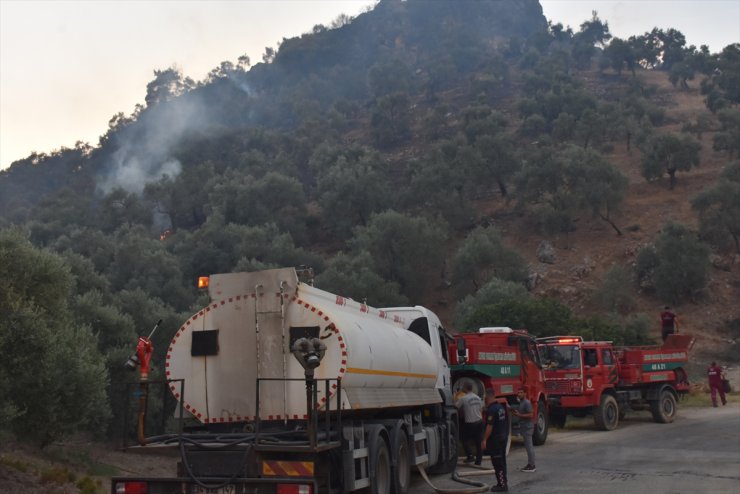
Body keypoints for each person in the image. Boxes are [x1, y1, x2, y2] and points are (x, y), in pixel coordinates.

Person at [481, 389, 509, 492]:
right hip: (502, 438)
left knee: (497, 463)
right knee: (502, 462)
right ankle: (503, 482)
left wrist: (484, 440)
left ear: (487, 397)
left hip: (495, 441)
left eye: (484, 397)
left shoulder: (491, 410)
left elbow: (489, 426)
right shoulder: (500, 407)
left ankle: (502, 485)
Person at [455, 382, 484, 465]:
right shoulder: (478, 397)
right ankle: (478, 460)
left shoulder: (464, 398)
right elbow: (481, 409)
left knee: (464, 440)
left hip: (470, 423)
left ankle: (470, 456)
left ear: (465, 388)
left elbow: (456, 407)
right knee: (478, 441)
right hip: (479, 421)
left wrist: (455, 396)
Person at [511, 387, 536, 473]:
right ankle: (530, 464)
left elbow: (531, 415)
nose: (519, 394)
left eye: (521, 392)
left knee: (529, 447)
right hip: (524, 427)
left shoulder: (527, 402)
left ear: (525, 393)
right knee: (528, 447)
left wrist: (520, 415)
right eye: (518, 392)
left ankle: (532, 466)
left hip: (528, 427)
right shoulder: (521, 402)